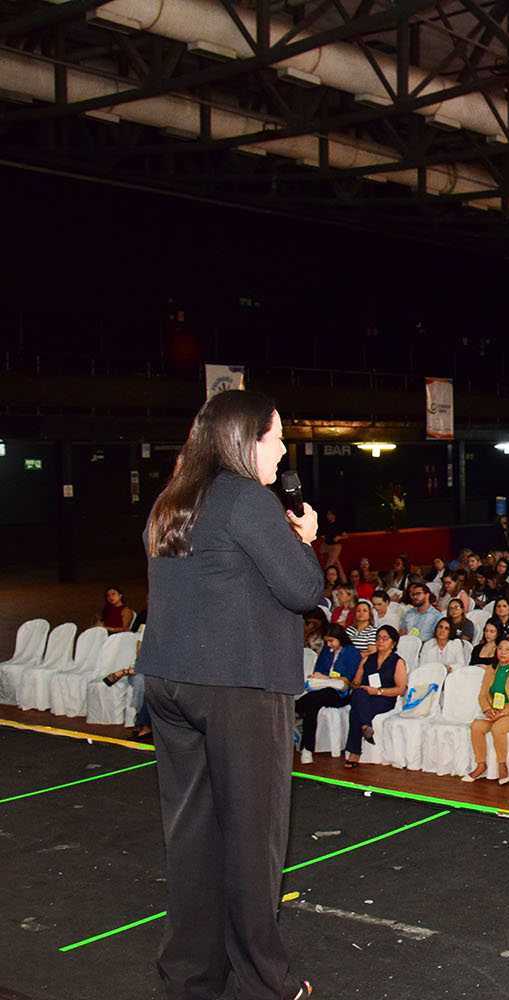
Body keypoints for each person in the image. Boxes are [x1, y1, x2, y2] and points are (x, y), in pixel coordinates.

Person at [136, 390, 322, 1000]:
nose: (284, 448)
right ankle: (264, 983)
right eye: (275, 437)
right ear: (245, 442)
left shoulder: (172, 501)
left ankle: (190, 976)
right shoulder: (248, 499)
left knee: (191, 836)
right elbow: (302, 589)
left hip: (170, 682)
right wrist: (305, 538)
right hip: (238, 688)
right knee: (252, 840)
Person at [464, 636, 509, 783]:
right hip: (495, 710)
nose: (503, 652)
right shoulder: (491, 669)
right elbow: (482, 695)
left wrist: (503, 713)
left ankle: (502, 766)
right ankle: (481, 765)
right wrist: (488, 710)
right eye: (500, 648)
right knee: (476, 726)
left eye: (507, 650)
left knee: (498, 727)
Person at [345, 625, 409, 767]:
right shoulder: (367, 659)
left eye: (385, 638)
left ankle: (355, 752)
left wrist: (378, 691)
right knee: (359, 693)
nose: (380, 641)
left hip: (385, 698)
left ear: (393, 643)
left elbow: (401, 689)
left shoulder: (398, 662)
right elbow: (355, 681)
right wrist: (357, 686)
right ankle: (366, 726)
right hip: (364, 696)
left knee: (355, 710)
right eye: (378, 638)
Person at [295, 626, 361, 763]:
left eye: (331, 641)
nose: (329, 644)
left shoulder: (352, 652)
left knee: (309, 702)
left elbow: (347, 680)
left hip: (340, 693)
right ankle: (307, 750)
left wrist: (327, 679)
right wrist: (318, 677)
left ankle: (306, 746)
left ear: (339, 638)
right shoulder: (326, 651)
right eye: (327, 641)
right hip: (322, 690)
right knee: (312, 706)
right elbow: (319, 670)